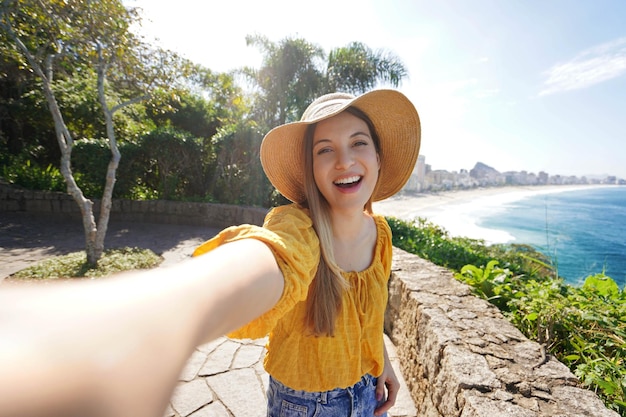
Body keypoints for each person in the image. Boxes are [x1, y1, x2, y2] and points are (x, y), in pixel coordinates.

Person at [0, 89, 420, 417]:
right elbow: (273, 257)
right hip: (305, 405)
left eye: (358, 142)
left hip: (367, 392)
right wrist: (163, 314)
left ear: (379, 158)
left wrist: (384, 363)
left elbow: (373, 309)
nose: (344, 160)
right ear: (310, 168)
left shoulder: (380, 234)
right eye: (324, 149)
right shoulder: (298, 227)